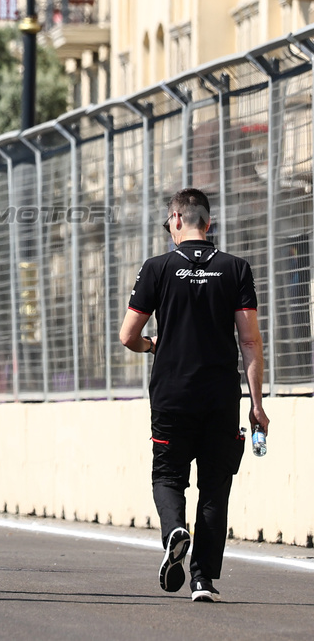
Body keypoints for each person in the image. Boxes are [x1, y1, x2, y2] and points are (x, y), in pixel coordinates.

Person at [119, 188, 269, 604]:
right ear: (208, 222)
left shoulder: (157, 268)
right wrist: (257, 405)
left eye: (169, 222)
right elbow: (250, 341)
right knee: (215, 486)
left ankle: (174, 532)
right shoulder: (236, 268)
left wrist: (155, 346)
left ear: (179, 219)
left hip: (171, 394)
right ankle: (202, 579)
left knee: (167, 475)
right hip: (222, 396)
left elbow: (128, 335)